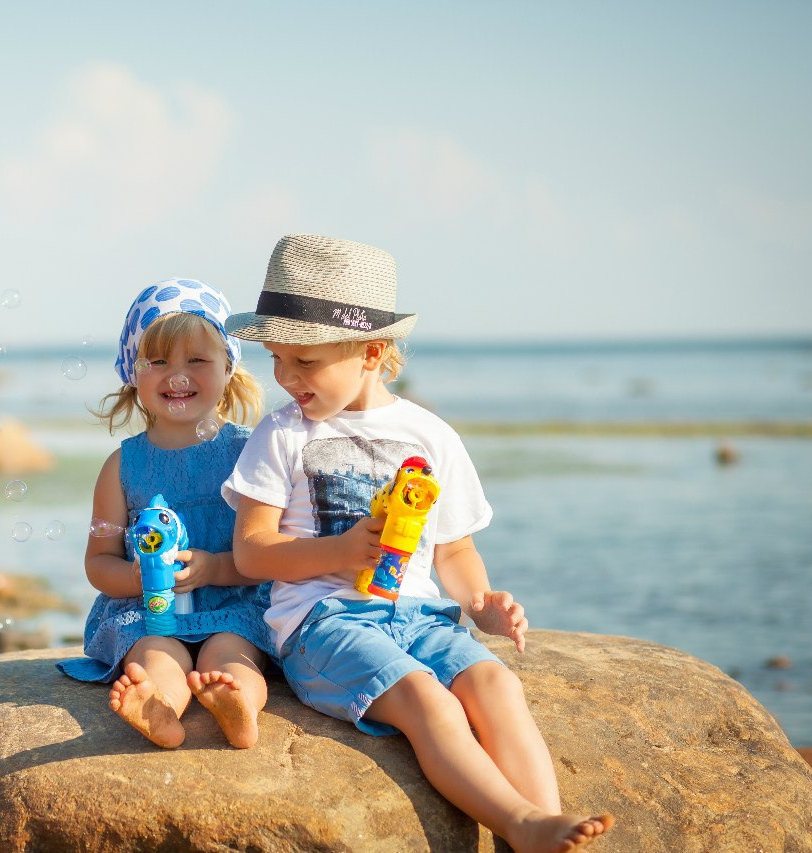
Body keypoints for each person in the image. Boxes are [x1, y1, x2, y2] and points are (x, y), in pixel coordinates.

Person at [221, 235, 613, 852]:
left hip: (420, 616)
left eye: (305, 361)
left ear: (371, 352)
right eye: (276, 358)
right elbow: (252, 552)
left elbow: (453, 552)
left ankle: (549, 825)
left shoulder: (429, 434)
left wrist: (482, 603)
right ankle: (518, 821)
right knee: (427, 699)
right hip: (324, 624)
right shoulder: (282, 433)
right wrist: (339, 554)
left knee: (496, 686)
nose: (285, 377)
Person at [57, 278, 276, 750]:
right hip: (148, 611)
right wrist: (141, 578)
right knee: (158, 656)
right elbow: (98, 562)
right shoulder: (123, 465)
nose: (177, 376)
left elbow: (271, 548)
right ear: (133, 373)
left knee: (234, 657)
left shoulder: (250, 453)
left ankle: (238, 706)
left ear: (229, 369)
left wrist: (215, 568)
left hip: (233, 606)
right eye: (158, 362)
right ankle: (159, 710)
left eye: (197, 360)